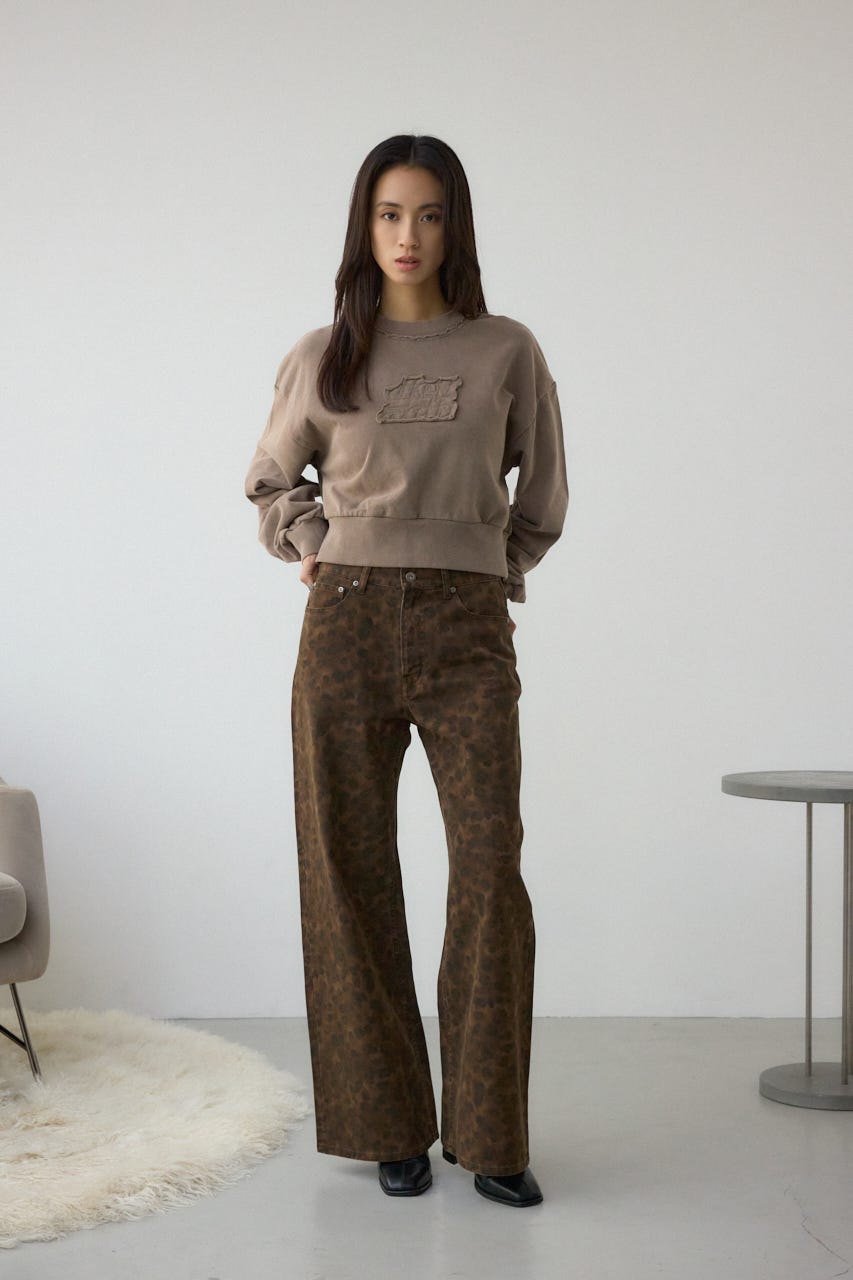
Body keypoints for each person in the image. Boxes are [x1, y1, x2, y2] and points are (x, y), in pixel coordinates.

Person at [244, 134, 568, 1208]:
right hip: (343, 623)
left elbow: (541, 494)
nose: (408, 236)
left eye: (429, 214)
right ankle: (387, 1123)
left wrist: (488, 570)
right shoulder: (322, 353)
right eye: (389, 214)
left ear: (454, 226)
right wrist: (308, 539)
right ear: (364, 225)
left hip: (466, 630)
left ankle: (491, 1131)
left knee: (488, 868)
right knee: (347, 869)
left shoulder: (506, 349)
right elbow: (269, 479)